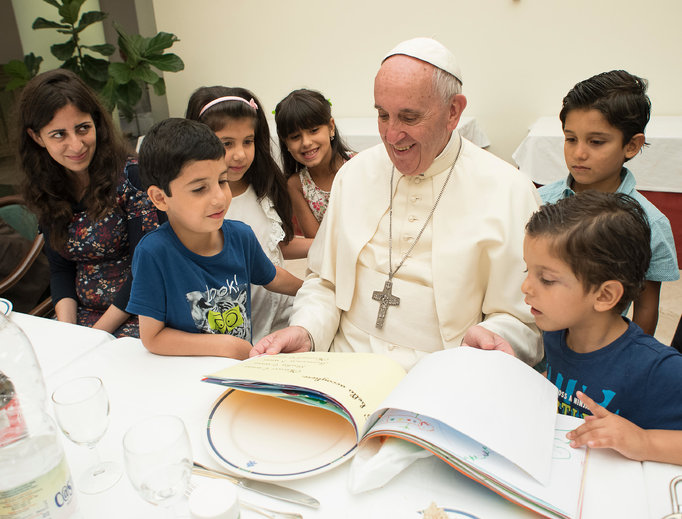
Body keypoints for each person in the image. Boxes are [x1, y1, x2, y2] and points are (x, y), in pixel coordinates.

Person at [253, 37, 543, 371]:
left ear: (453, 112)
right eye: (382, 115)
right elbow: (325, 282)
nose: (391, 136)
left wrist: (492, 338)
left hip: (446, 370)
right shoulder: (355, 175)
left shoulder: (509, 191)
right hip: (344, 363)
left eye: (409, 117)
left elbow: (523, 319)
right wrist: (307, 330)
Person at [523, 191, 682, 464]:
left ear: (604, 296)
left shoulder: (659, 368)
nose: (526, 287)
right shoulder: (556, 332)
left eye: (546, 279)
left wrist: (644, 441)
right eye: (527, 271)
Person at [126, 118, 302, 359]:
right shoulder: (154, 253)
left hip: (239, 367)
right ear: (160, 198)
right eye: (200, 189)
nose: (219, 198)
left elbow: (272, 277)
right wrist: (226, 346)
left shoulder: (241, 235)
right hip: (188, 373)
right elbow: (152, 337)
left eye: (222, 181)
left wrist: (315, 289)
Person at [17, 69, 161, 337]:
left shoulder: (133, 178)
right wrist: (69, 333)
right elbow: (60, 270)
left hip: (141, 316)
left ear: (96, 122)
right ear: (37, 137)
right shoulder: (46, 187)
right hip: (80, 320)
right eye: (58, 134)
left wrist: (93, 336)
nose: (76, 145)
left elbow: (146, 269)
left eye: (83, 128)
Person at [538, 70, 679, 336]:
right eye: (571, 139)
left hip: (597, 352)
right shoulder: (540, 201)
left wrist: (627, 362)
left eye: (596, 142)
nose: (579, 153)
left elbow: (646, 308)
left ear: (632, 146)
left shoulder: (650, 223)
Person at [185, 86, 310, 342]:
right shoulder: (199, 211)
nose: (240, 154)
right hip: (237, 333)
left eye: (248, 141)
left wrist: (325, 245)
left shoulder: (263, 188)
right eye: (226, 144)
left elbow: (274, 245)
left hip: (284, 317)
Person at [274, 88, 354, 238]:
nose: (306, 142)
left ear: (331, 127)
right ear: (286, 144)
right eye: (295, 137)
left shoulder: (356, 164)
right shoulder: (296, 185)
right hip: (328, 258)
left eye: (314, 130)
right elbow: (315, 241)